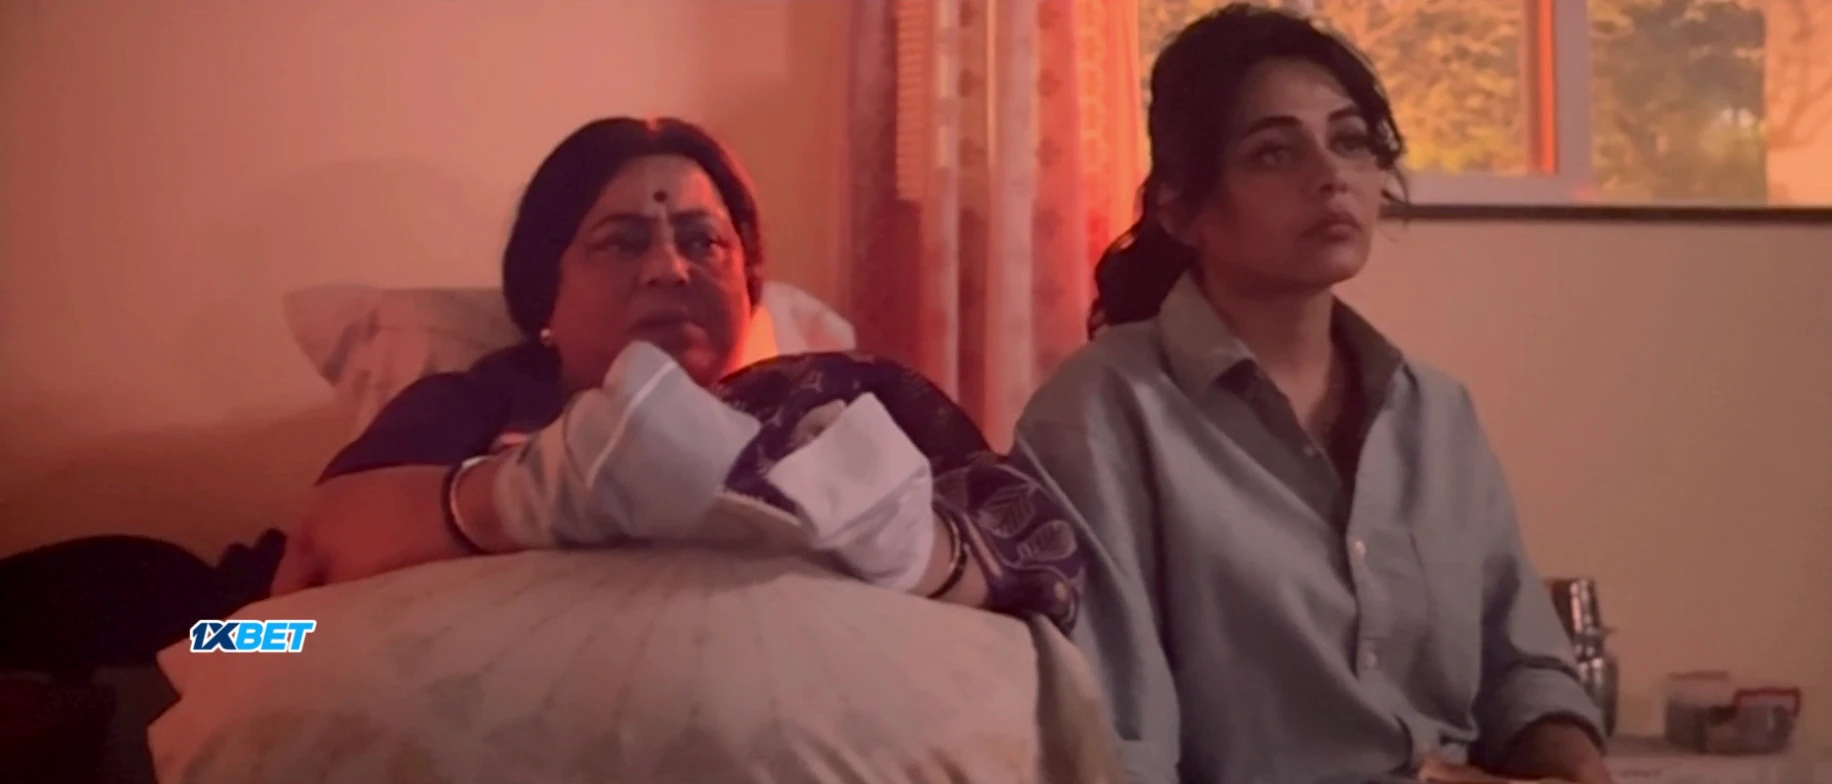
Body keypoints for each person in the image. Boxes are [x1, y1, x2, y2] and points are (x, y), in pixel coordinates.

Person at [1011, 5, 1610, 783]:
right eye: (1274, 152)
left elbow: (1523, 670)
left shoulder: (1436, 413)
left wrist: (1570, 756)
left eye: (1351, 141)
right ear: (1181, 210)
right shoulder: (1103, 413)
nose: (1331, 176)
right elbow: (1119, 743)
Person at [270, 116, 1083, 629]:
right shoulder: (472, 405)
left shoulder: (846, 401)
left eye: (704, 242)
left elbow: (1050, 603)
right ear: (544, 294)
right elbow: (277, 614)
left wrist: (920, 552)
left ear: (748, 285)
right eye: (621, 241)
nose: (668, 267)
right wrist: (535, 491)